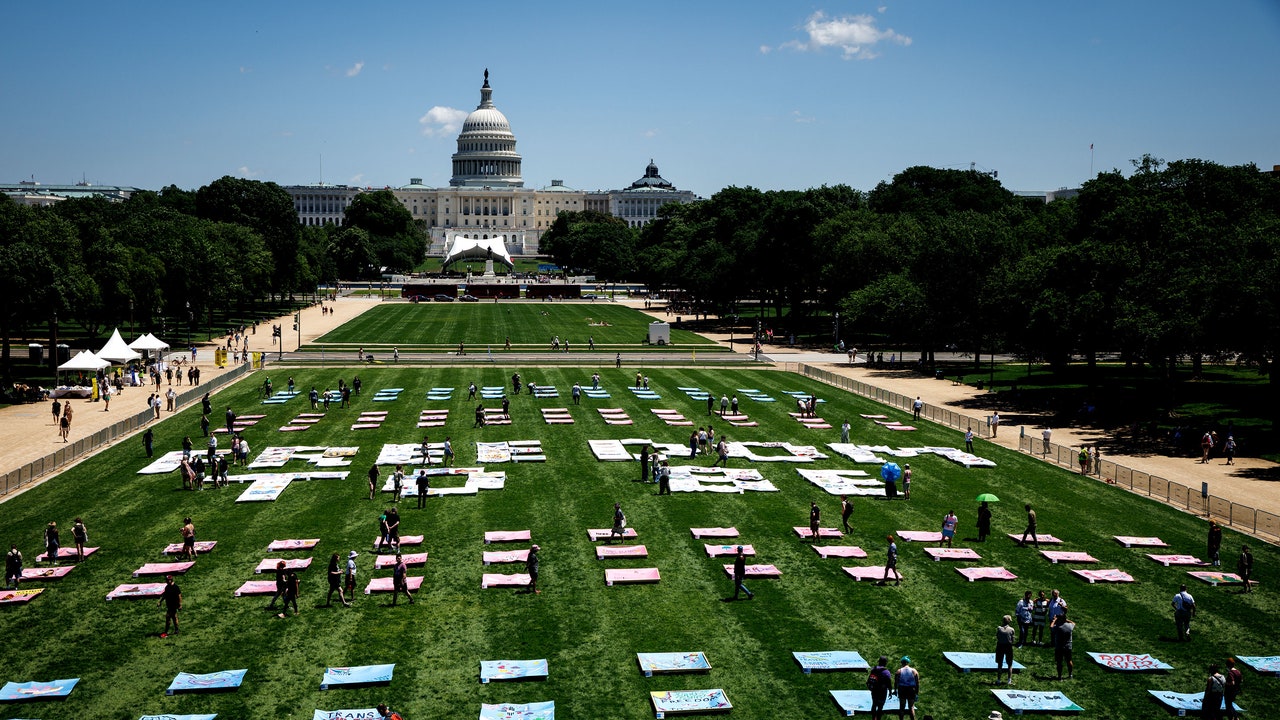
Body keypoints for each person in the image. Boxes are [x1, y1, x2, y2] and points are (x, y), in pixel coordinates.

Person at [866, 656, 892, 720]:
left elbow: (869, 679)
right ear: (885, 663)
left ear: (879, 662)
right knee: (880, 707)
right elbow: (889, 683)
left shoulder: (873, 669)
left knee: (874, 704)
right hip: (882, 691)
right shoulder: (886, 672)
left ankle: (873, 718)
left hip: (874, 690)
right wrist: (890, 691)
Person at [1051, 611, 1075, 680]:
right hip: (1068, 647)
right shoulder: (1070, 626)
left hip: (1059, 647)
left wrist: (1054, 620)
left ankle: (1059, 677)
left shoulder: (1058, 627)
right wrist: (1066, 620)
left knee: (1059, 662)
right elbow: (1073, 623)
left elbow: (1051, 627)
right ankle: (1070, 674)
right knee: (1069, 660)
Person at [995, 615, 1016, 684]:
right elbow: (1013, 640)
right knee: (1010, 664)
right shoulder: (1012, 629)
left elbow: (997, 637)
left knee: (1000, 664)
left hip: (1000, 646)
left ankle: (998, 680)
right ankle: (1009, 680)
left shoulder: (999, 628)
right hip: (1008, 646)